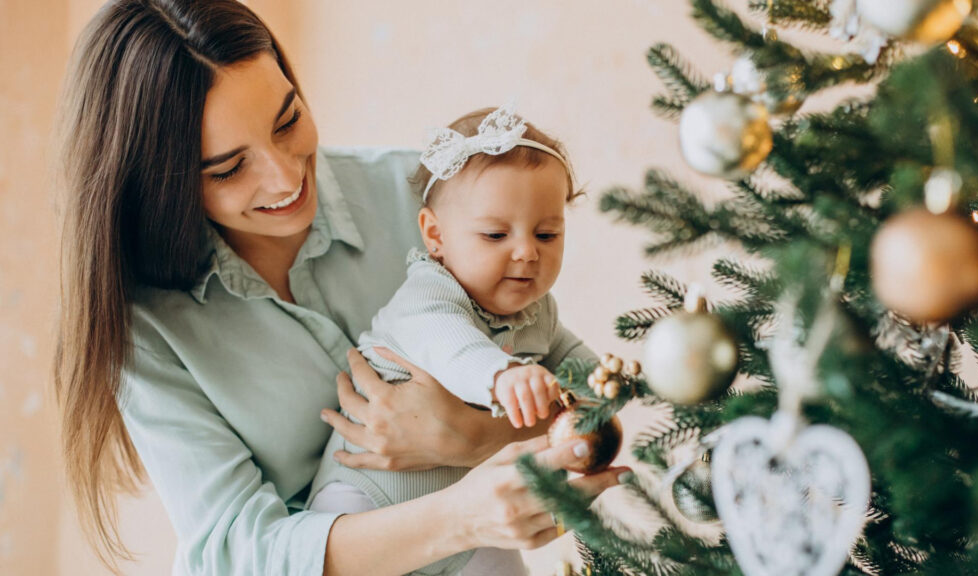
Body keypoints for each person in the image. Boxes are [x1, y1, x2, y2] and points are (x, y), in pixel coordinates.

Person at [51, 1, 630, 575]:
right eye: (229, 168)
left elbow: (551, 369)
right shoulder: (144, 328)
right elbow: (235, 551)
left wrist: (473, 438)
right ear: (159, 183)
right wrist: (459, 518)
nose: (285, 177)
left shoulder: (435, 196)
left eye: (288, 121)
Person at [308, 105, 596, 574]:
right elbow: (451, 347)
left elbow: (573, 362)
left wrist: (607, 383)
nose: (526, 251)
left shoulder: (538, 311)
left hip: (467, 506)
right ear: (435, 235)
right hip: (367, 496)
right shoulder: (429, 294)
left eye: (547, 233)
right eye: (495, 234)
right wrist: (502, 375)